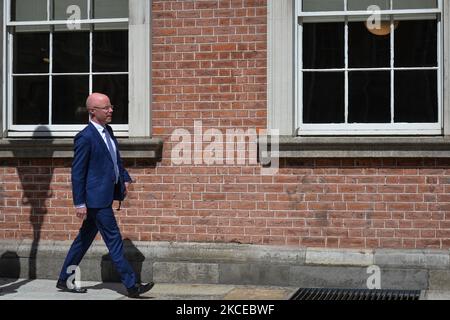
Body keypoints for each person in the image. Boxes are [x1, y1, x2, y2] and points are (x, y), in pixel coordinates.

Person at [56, 93, 153, 298]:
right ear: (93, 111)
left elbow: (115, 158)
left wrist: (124, 176)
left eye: (111, 106)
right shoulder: (85, 137)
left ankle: (64, 279)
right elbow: (78, 173)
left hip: (104, 196)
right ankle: (132, 285)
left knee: (83, 240)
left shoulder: (108, 130)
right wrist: (79, 202)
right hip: (95, 200)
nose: (111, 110)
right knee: (114, 240)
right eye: (106, 108)